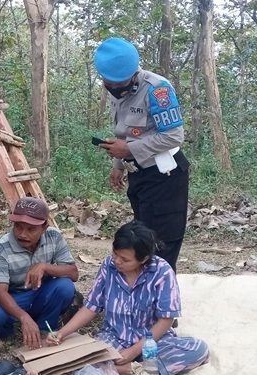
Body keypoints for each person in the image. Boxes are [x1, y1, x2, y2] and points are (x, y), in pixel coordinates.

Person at [23, 221, 209, 375]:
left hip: (153, 342)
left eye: (125, 259)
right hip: (113, 338)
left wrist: (134, 351)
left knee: (197, 349)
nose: (117, 261)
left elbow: (165, 320)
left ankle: (127, 368)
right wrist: (62, 333)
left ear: (143, 259)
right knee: (80, 358)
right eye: (115, 254)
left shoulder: (162, 273)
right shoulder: (109, 266)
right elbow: (91, 307)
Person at [93, 37, 189, 272]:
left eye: (119, 84)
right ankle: (142, 293)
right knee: (142, 240)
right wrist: (118, 163)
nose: (113, 88)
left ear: (133, 74)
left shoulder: (157, 89)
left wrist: (129, 150)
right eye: (109, 83)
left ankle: (162, 300)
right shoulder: (117, 92)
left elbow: (174, 136)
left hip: (165, 175)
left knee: (162, 242)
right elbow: (123, 133)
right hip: (139, 175)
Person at [0, 197, 78, 348]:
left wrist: (45, 267)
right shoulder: (3, 246)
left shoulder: (54, 237)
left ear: (44, 227)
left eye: (31, 229)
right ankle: (13, 330)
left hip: (42, 292)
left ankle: (44, 327)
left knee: (65, 286)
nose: (22, 234)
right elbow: (0, 291)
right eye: (18, 227)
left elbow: (73, 273)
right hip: (14, 296)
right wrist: (23, 317)